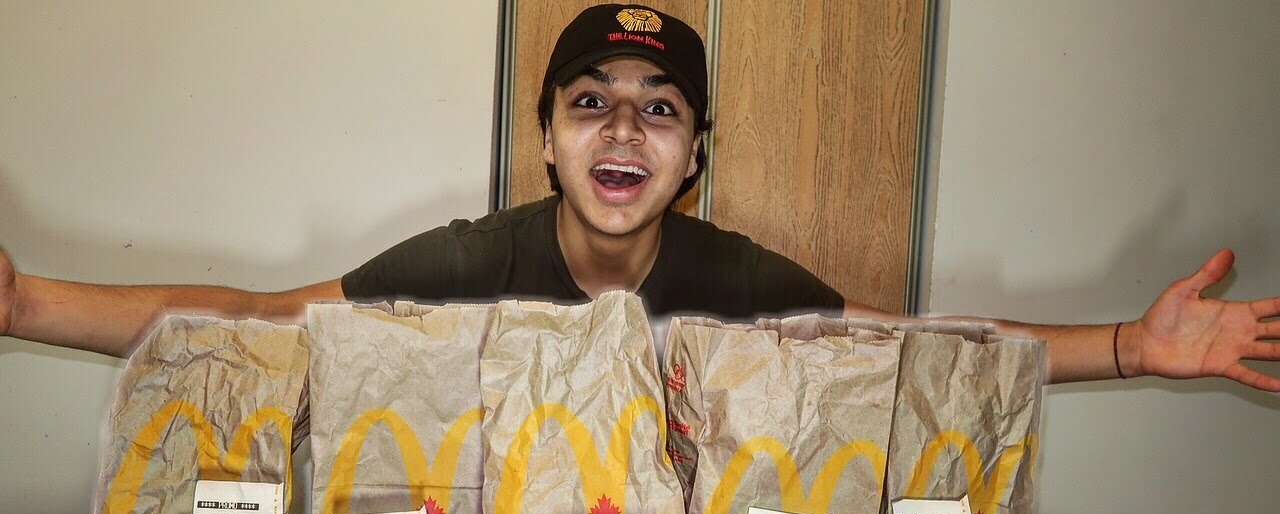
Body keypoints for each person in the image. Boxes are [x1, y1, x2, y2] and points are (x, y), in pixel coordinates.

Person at [0, 4, 1276, 390]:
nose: (622, 129)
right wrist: (28, 303)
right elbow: (253, 322)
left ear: (693, 155)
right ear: (548, 143)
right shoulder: (472, 260)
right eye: (590, 102)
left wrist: (1131, 345)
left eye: (659, 109)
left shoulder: (732, 280)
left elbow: (912, 349)